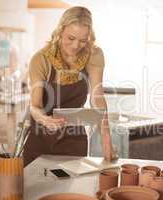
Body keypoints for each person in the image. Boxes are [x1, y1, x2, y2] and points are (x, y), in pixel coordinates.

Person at [24, 6, 114, 166]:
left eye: (82, 41)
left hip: (73, 136)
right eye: (70, 38)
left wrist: (106, 140)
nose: (75, 46)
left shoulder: (94, 55)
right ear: (60, 31)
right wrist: (44, 119)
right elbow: (34, 106)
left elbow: (97, 98)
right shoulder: (41, 59)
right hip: (41, 136)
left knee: (72, 187)